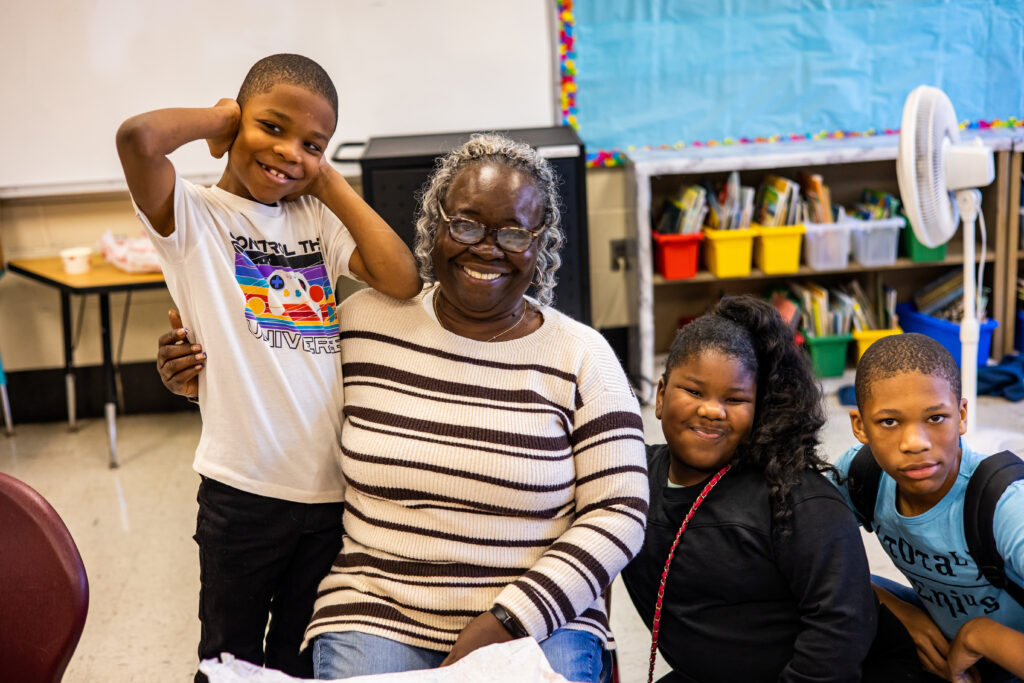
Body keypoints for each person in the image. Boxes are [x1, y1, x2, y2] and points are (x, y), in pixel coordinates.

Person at [159, 133, 649, 682]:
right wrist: (195, 372)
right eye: (465, 224)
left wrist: (505, 620)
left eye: (513, 233)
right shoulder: (363, 322)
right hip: (377, 613)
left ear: (541, 246)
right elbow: (276, 384)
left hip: (540, 621)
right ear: (433, 226)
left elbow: (619, 514)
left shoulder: (583, 356)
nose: (487, 248)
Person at [117, 53, 420, 680]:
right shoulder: (193, 216)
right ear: (238, 122)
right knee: (229, 661)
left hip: (333, 493)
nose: (289, 152)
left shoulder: (316, 218)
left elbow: (402, 278)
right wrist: (222, 117)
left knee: (299, 661)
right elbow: (139, 139)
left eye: (312, 142)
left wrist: (328, 179)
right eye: (273, 127)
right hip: (242, 493)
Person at [621, 296, 878, 683]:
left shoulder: (796, 500)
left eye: (735, 399)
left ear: (759, 409)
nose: (712, 410)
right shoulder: (626, 478)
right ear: (659, 396)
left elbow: (840, 630)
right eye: (693, 391)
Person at [832, 333, 1024, 683]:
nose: (915, 444)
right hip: (938, 633)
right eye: (890, 422)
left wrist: (982, 636)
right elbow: (801, 554)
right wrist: (900, 612)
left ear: (962, 416)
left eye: (935, 418)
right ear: (860, 426)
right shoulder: (862, 474)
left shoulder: (1007, 508)